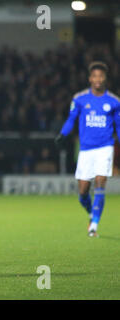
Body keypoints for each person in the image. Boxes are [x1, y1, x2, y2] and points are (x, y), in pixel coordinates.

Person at [55, 61, 120, 237]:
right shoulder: (79, 98)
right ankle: (92, 213)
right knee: (83, 191)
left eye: (101, 76)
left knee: (100, 183)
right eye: (95, 76)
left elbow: (119, 126)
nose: (98, 79)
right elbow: (71, 119)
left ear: (105, 79)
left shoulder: (114, 101)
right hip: (86, 150)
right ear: (90, 78)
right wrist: (63, 134)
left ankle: (94, 226)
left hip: (105, 148)